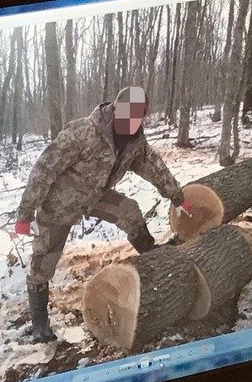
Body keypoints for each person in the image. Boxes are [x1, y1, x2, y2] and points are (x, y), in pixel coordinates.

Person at [14, 86, 192, 343]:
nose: (131, 123)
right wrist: (25, 214)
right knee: (43, 263)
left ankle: (152, 255)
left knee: (129, 211)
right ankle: (39, 323)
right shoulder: (82, 133)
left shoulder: (135, 142)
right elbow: (44, 170)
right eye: (127, 116)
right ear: (115, 109)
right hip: (59, 205)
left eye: (138, 118)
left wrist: (178, 197)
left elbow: (154, 168)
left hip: (95, 197)